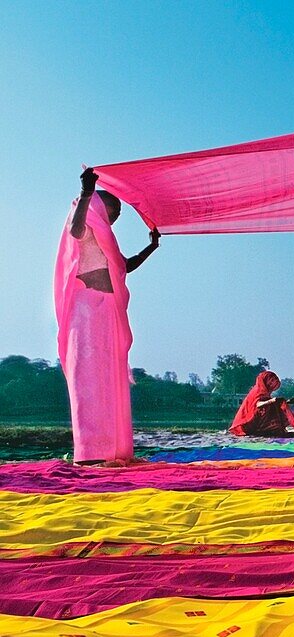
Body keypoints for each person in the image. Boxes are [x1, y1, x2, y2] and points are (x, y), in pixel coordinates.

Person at [54, 168, 160, 465]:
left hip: (108, 312)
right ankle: (89, 451)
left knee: (109, 380)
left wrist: (151, 247)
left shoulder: (105, 239)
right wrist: (87, 193)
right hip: (85, 312)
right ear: (99, 208)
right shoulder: (84, 227)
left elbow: (124, 266)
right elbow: (76, 230)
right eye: (112, 211)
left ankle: (113, 449)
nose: (113, 218)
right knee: (86, 379)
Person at [229, 370, 294, 437]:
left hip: (257, 422)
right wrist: (272, 401)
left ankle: (272, 429)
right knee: (272, 407)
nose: (272, 384)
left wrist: (288, 402)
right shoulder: (257, 392)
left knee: (275, 407)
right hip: (248, 424)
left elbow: (273, 402)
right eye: (271, 382)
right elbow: (257, 405)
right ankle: (269, 429)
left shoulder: (265, 393)